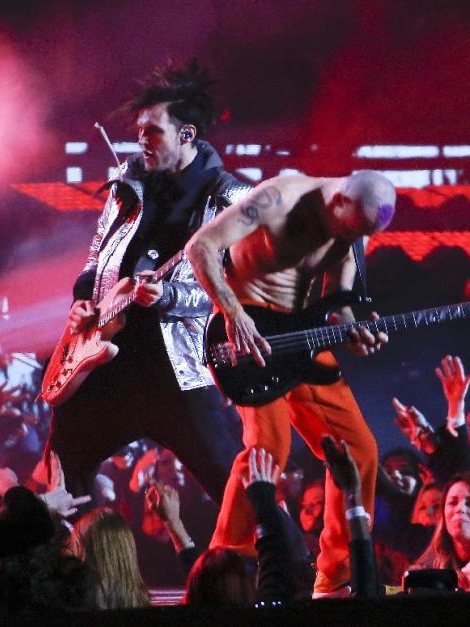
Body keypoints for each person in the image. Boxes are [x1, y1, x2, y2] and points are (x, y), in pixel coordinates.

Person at [40, 59, 248, 503]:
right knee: (60, 483)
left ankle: (291, 568)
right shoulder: (127, 185)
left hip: (174, 372)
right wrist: (82, 298)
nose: (140, 140)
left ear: (186, 134)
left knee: (235, 490)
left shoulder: (229, 200)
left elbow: (229, 291)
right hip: (102, 365)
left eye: (153, 130)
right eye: (139, 130)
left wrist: (169, 296)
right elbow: (98, 254)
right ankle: (56, 571)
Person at [185, 169, 396, 595]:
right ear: (339, 201)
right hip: (248, 329)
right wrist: (233, 312)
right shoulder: (279, 197)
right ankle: (225, 573)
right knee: (268, 448)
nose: (352, 238)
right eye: (352, 229)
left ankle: (336, 577)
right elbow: (200, 247)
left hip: (299, 336)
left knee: (359, 450)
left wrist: (353, 330)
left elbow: (339, 302)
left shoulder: (356, 226)